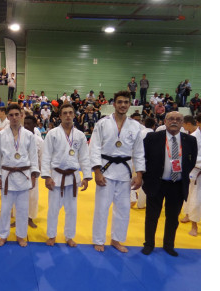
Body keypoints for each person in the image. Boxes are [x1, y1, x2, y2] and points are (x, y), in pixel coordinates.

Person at [89, 90, 145, 253]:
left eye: (126, 102)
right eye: (119, 102)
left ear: (129, 104)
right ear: (113, 104)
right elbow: (94, 148)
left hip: (125, 173)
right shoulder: (102, 123)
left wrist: (139, 174)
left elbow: (139, 152)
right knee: (102, 207)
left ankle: (116, 239)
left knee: (123, 209)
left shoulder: (135, 126)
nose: (122, 105)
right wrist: (97, 171)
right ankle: (99, 239)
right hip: (106, 170)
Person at [142, 111, 197, 257]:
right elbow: (143, 158)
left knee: (173, 218)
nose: (174, 121)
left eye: (178, 119)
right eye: (171, 118)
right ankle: (149, 244)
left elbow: (191, 161)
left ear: (182, 123)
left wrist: (181, 174)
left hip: (177, 184)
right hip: (156, 183)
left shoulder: (189, 140)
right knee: (152, 216)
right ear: (165, 121)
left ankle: (169, 245)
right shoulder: (152, 137)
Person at [42, 104, 92, 247]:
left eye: (70, 113)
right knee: (53, 209)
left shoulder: (80, 135)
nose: (68, 115)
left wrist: (87, 176)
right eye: (65, 113)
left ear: (74, 115)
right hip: (56, 176)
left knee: (72, 210)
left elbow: (84, 157)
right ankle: (51, 235)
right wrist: (46, 176)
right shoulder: (52, 134)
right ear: (60, 116)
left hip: (73, 177)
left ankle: (69, 236)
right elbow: (46, 156)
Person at [0, 103, 40, 247]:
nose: (14, 117)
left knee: (23, 209)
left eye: (16, 114)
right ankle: (3, 235)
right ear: (7, 117)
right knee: (5, 209)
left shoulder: (30, 135)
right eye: (11, 115)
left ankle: (21, 235)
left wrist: (33, 175)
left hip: (24, 175)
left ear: (21, 116)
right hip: (7, 176)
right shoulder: (0, 135)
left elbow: (33, 156)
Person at [180, 115, 201, 237]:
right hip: (196, 170)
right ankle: (194, 226)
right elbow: (189, 157)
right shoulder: (193, 138)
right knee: (195, 199)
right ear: (198, 123)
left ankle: (188, 214)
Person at [130, 117, 156, 209]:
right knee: (145, 182)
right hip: (148, 161)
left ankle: (132, 197)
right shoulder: (155, 135)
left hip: (135, 158)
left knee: (133, 178)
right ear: (154, 126)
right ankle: (141, 204)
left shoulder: (139, 133)